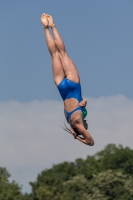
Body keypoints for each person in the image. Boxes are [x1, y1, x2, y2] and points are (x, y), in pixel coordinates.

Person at [41, 13, 94, 146]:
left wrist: (77, 137)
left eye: (85, 129)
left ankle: (53, 25)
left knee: (62, 52)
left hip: (73, 84)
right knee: (54, 55)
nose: (87, 127)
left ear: (81, 130)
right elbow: (77, 104)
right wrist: (84, 102)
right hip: (61, 87)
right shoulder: (70, 119)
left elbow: (91, 142)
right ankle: (46, 28)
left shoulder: (78, 124)